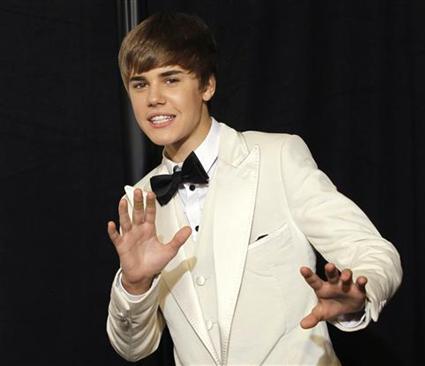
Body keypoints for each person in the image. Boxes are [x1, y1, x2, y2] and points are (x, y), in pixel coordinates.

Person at [106, 12, 402, 365]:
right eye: (140, 84)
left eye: (170, 79)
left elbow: (372, 251)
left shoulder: (276, 157)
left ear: (207, 86)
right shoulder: (140, 201)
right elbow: (133, 347)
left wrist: (358, 296)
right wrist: (135, 285)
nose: (153, 98)